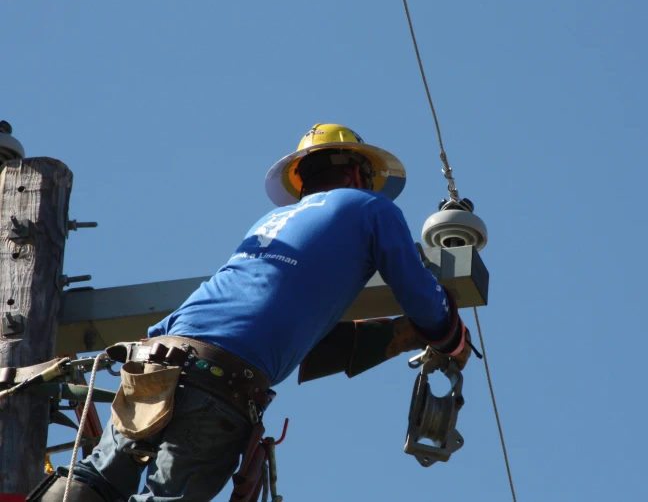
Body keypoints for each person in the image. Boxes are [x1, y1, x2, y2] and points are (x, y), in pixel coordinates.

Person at [29, 123, 474, 502]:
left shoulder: (269, 226)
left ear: (302, 181)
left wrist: (400, 336)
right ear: (359, 173)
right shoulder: (370, 207)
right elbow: (419, 292)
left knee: (93, 483)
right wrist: (449, 338)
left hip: (155, 363)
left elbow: (293, 337)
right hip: (219, 385)